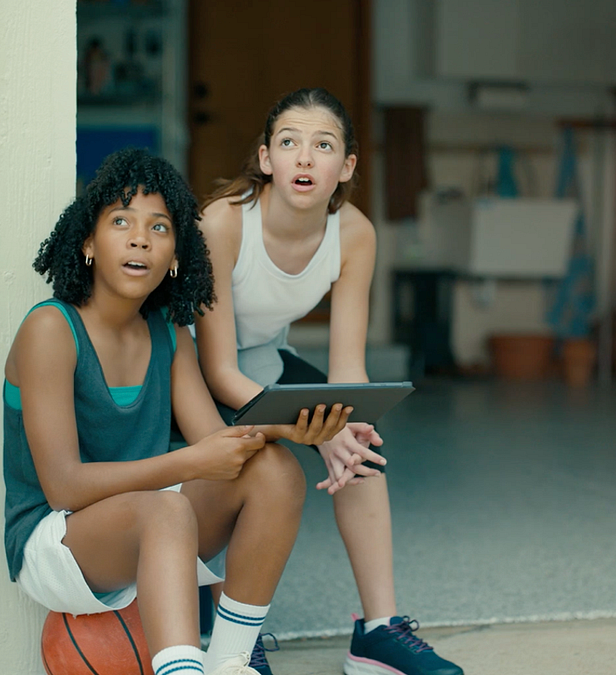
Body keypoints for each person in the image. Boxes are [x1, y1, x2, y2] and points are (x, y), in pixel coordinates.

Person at [3, 148, 351, 675]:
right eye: (121, 222)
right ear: (89, 243)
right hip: (56, 538)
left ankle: (230, 661)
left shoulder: (168, 331)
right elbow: (64, 488)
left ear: (174, 257)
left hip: (153, 519)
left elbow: (216, 443)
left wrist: (292, 427)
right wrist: (191, 463)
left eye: (160, 227)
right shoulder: (50, 328)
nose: (140, 238)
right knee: (167, 510)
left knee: (273, 470)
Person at [193, 89, 464, 675]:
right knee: (246, 461)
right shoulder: (223, 223)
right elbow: (217, 371)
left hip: (262, 359)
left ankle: (379, 631)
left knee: (362, 449)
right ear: (266, 158)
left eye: (323, 145)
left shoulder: (355, 233)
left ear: (346, 166)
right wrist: (306, 426)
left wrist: (344, 423)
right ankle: (229, 634)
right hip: (188, 369)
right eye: (289, 142)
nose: (304, 157)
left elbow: (347, 368)